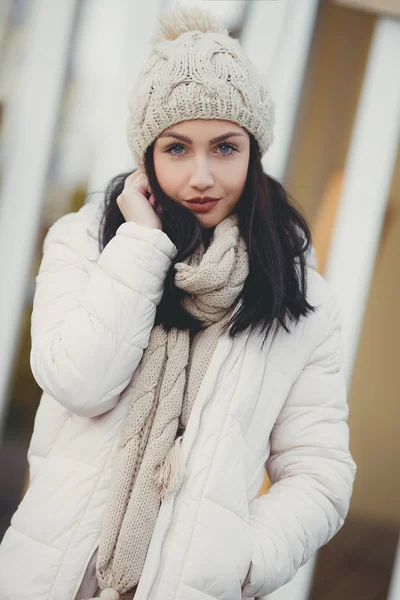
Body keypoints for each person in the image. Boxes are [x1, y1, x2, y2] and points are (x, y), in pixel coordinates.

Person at [0, 4, 357, 600]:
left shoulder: (300, 299)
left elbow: (320, 475)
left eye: (224, 148)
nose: (201, 177)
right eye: (176, 149)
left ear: (253, 151)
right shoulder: (87, 246)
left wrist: (240, 561)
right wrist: (140, 244)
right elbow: (79, 382)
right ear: (146, 155)